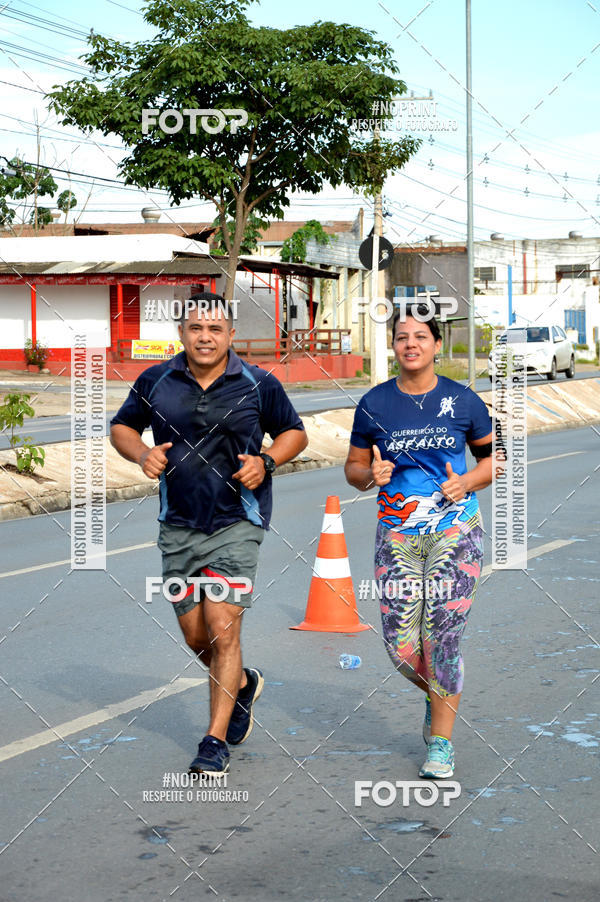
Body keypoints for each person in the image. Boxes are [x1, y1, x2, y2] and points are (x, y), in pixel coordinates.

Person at [110, 292, 308, 776]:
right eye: (196, 328)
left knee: (222, 626)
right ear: (182, 332)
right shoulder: (156, 380)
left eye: (215, 329)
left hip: (236, 523)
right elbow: (122, 427)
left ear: (230, 335)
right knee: (195, 634)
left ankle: (213, 741)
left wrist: (267, 461)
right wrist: (140, 454)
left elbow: (295, 433)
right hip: (177, 525)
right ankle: (241, 683)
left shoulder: (258, 383)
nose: (205, 336)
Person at [344, 306, 497, 779]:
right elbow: (352, 471)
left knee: (443, 638)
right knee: (401, 647)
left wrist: (466, 482)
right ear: (393, 346)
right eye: (402, 337)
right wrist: (370, 475)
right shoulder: (374, 404)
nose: (411, 344)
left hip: (457, 532)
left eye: (420, 337)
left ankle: (442, 743)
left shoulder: (464, 401)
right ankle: (438, 696)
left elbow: (494, 462)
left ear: (435, 345)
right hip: (397, 535)